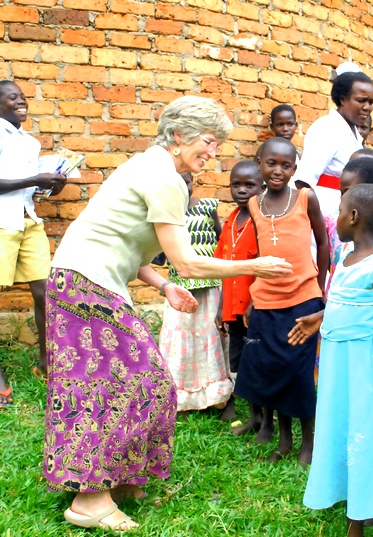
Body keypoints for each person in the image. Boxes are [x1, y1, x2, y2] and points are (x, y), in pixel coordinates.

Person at [44, 96, 292, 531]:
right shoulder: (163, 178)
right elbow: (190, 262)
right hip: (84, 284)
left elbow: (124, 241)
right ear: (178, 137)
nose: (213, 153)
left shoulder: (152, 167)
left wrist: (163, 285)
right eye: (209, 142)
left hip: (84, 280)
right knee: (127, 382)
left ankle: (115, 481)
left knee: (138, 380)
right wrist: (254, 266)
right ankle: (89, 501)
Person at [296, 184, 373, 537]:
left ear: (354, 217)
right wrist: (321, 317)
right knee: (347, 433)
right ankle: (354, 520)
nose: (336, 218)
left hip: (370, 370)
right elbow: (346, 305)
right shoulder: (344, 258)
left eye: (341, 211)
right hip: (339, 371)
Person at [234, 137, 329, 466]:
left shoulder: (306, 198)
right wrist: (250, 298)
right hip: (266, 301)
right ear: (260, 163)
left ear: (294, 168)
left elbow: (323, 242)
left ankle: (308, 442)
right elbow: (259, 254)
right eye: (271, 163)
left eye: (286, 165)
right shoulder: (254, 204)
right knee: (273, 368)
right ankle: (285, 440)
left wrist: (319, 292)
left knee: (298, 371)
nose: (278, 170)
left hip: (303, 298)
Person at [0, 80, 67, 406]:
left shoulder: (31, 142)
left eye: (23, 97)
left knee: (44, 291)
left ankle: (45, 363)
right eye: (12, 98)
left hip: (28, 221)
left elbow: (31, 189)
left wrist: (51, 185)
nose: (21, 102)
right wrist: (34, 179)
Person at [158, 173, 232, 417]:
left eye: (187, 181)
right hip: (180, 289)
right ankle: (179, 398)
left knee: (210, 338)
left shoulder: (206, 207)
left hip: (209, 286)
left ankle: (220, 397)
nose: (183, 186)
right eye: (177, 180)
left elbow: (221, 242)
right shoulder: (164, 211)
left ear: (193, 182)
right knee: (180, 342)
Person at [214, 161, 273, 434]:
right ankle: (252, 416)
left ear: (261, 188)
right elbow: (225, 268)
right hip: (232, 309)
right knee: (238, 362)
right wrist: (219, 309)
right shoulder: (229, 221)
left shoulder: (262, 221)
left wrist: (252, 304)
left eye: (249, 185)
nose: (241, 190)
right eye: (236, 184)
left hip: (254, 308)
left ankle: (266, 420)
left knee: (258, 360)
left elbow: (265, 267)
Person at [293, 68, 373, 218]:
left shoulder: (353, 132)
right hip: (326, 213)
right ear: (343, 99)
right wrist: (318, 225)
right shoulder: (327, 128)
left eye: (370, 102)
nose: (367, 107)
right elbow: (303, 182)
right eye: (361, 100)